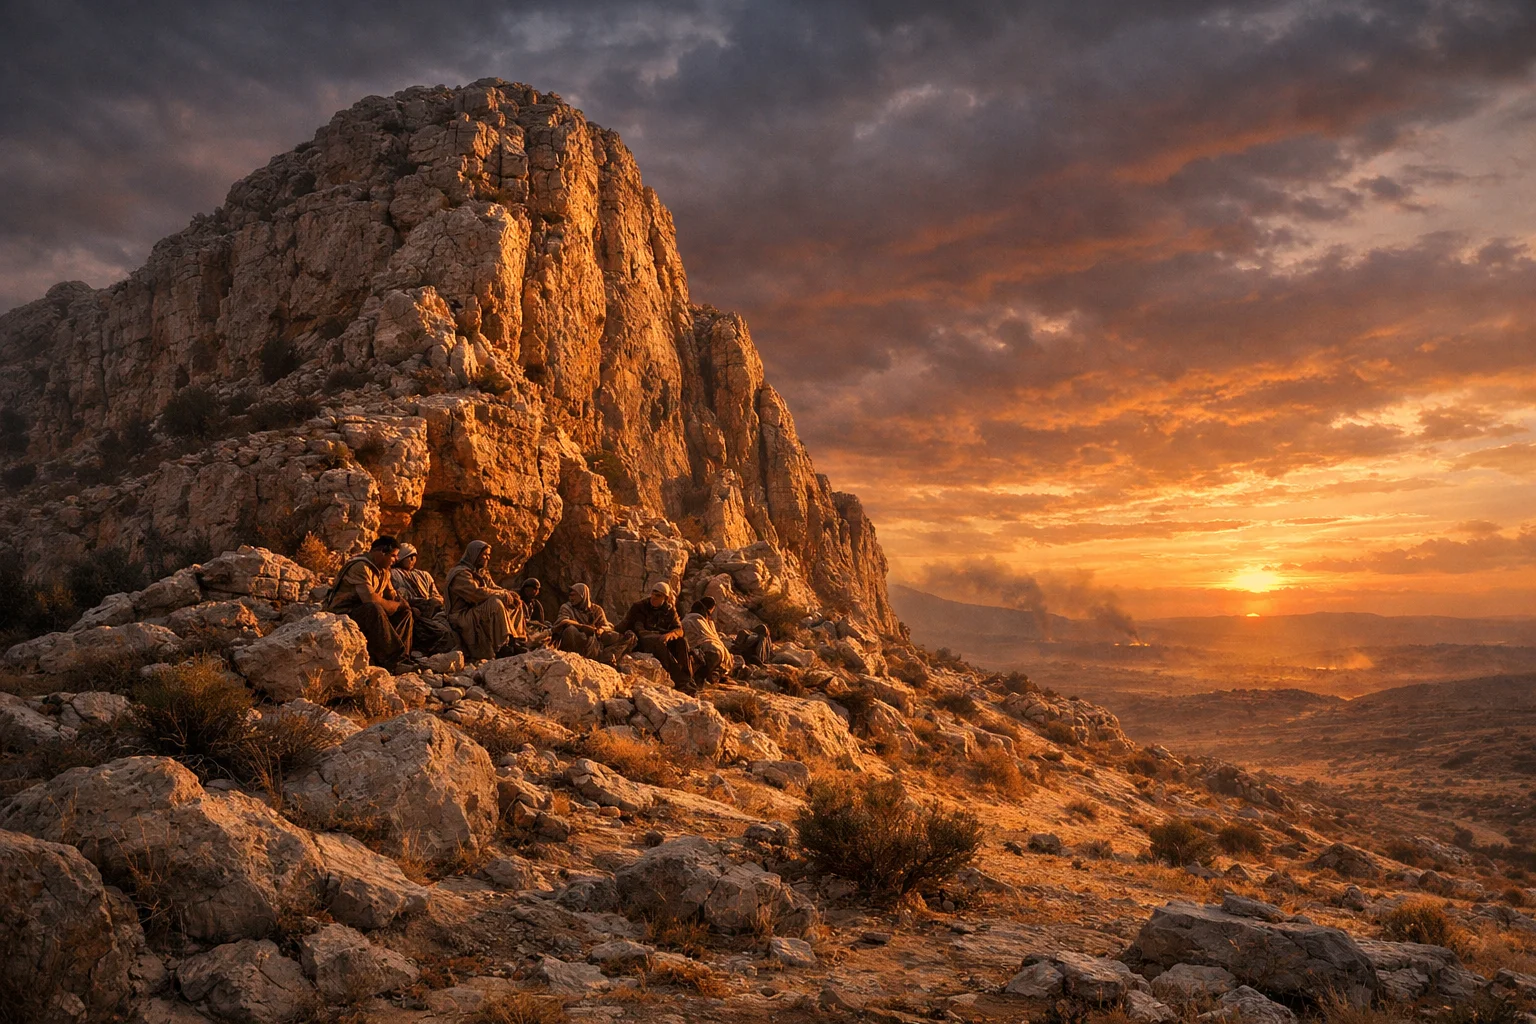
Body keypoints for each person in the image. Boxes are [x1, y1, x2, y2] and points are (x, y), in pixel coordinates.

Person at [325, 536, 414, 670]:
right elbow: (370, 599)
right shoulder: (360, 566)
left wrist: (402, 604)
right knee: (374, 608)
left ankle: (400, 659)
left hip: (364, 611)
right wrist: (394, 606)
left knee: (405, 612)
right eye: (393, 555)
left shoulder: (384, 571)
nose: (396, 560)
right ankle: (392, 658)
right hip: (344, 614)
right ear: (382, 552)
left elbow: (392, 595)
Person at [444, 540, 524, 662]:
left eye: (488, 555)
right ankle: (502, 646)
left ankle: (515, 640)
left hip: (475, 611)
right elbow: (476, 594)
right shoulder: (460, 574)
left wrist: (508, 594)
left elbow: (492, 587)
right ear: (475, 554)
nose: (487, 558)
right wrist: (502, 594)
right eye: (484, 554)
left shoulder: (481, 572)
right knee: (495, 603)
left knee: (514, 602)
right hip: (461, 616)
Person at [617, 580, 691, 689]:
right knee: (659, 643)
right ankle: (678, 680)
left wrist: (670, 635)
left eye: (658, 595)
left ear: (665, 598)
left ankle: (688, 680)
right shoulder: (640, 607)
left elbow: (679, 629)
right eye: (653, 593)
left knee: (681, 642)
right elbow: (638, 630)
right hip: (640, 640)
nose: (654, 597)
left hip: (661, 638)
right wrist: (659, 636)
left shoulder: (669, 610)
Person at [388, 543, 458, 655]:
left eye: (414, 556)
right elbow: (395, 596)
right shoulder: (392, 574)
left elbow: (435, 595)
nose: (412, 559)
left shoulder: (424, 575)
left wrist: (435, 602)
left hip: (432, 611)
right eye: (409, 557)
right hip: (412, 611)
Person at [553, 583, 635, 666]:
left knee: (626, 637)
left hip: (596, 641)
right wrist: (582, 627)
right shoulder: (567, 607)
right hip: (578, 638)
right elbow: (563, 620)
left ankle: (607, 657)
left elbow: (607, 626)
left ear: (582, 595)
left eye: (573, 595)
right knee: (570, 630)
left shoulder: (596, 610)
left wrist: (601, 630)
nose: (571, 598)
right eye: (570, 596)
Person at [682, 596, 734, 685]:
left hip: (703, 646)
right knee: (715, 652)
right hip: (702, 648)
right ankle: (699, 679)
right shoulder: (696, 619)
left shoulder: (703, 621)